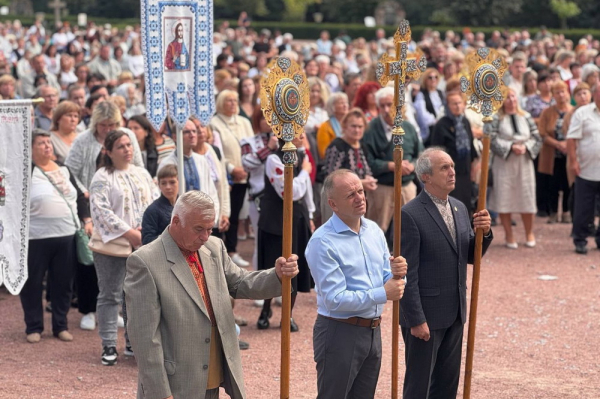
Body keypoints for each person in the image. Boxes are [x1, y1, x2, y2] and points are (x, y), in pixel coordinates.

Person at [124, 190, 299, 399]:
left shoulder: (214, 247)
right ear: (177, 221)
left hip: (212, 373)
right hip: (176, 383)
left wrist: (277, 276)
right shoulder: (145, 261)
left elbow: (240, 282)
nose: (206, 237)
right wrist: (161, 393)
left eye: (209, 229)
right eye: (199, 229)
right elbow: (144, 339)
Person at [399, 148, 493, 399]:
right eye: (444, 168)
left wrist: (485, 233)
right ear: (425, 177)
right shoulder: (410, 214)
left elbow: (469, 255)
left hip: (455, 313)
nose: (452, 172)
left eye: (452, 166)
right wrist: (415, 319)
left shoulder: (460, 208)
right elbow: (407, 274)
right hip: (425, 317)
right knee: (419, 386)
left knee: (446, 386)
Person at [305, 169, 407, 398]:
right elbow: (334, 299)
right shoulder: (323, 242)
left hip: (372, 330)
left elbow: (386, 278)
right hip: (340, 331)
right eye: (351, 194)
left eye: (360, 190)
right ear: (333, 204)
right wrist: (383, 292)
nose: (360, 197)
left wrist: (398, 275)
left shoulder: (373, 231)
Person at [89, 130, 159, 366]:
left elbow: (154, 201)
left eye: (129, 145)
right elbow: (100, 210)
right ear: (108, 152)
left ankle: (132, 341)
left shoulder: (141, 173)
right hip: (112, 245)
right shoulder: (102, 176)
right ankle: (108, 343)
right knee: (110, 294)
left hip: (142, 242)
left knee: (136, 295)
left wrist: (144, 228)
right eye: (120, 146)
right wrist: (129, 232)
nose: (127, 149)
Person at [20, 129, 91, 344]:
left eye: (49, 142)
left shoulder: (64, 169)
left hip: (66, 236)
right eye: (41, 143)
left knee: (63, 282)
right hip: (35, 238)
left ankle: (60, 325)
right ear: (31, 148)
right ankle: (33, 326)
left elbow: (80, 196)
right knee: (32, 283)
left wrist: (86, 219)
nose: (47, 146)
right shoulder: (25, 172)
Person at [256, 134, 315, 332]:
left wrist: (311, 215)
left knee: (294, 267)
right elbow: (289, 191)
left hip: (297, 219)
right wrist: (305, 173)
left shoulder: (302, 156)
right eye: (299, 133)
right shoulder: (274, 159)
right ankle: (265, 310)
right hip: (275, 221)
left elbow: (306, 192)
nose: (303, 137)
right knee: (271, 267)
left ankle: (287, 315)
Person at [363, 86, 423, 234]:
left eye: (389, 104)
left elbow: (421, 154)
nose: (386, 109)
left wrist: (412, 165)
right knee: (377, 230)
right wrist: (391, 166)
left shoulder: (408, 127)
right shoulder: (371, 129)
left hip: (406, 186)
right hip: (382, 188)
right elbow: (367, 161)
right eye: (382, 105)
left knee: (409, 229)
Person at [489, 89, 542, 249]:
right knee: (505, 196)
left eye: (513, 96)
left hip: (524, 161)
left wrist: (525, 147)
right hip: (504, 162)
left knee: (527, 195)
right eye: (507, 97)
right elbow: (491, 138)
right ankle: (509, 234)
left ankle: (529, 232)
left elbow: (537, 137)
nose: (511, 100)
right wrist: (511, 146)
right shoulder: (497, 118)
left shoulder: (525, 116)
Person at [209, 90, 254, 267]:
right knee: (225, 213)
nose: (233, 103)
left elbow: (251, 145)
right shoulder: (214, 123)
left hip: (245, 173)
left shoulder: (244, 122)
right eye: (228, 100)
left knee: (237, 214)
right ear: (221, 103)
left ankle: (233, 250)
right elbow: (215, 152)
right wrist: (231, 168)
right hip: (226, 175)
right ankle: (222, 251)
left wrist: (246, 166)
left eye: (235, 100)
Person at [158, 119, 222, 229]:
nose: (192, 135)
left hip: (203, 224)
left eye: (194, 131)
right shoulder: (167, 163)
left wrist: (212, 218)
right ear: (174, 136)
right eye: (187, 132)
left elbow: (211, 193)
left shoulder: (201, 160)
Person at [321, 108, 377, 223]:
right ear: (345, 127)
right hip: (338, 201)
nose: (357, 130)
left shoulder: (362, 146)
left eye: (360, 127)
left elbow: (366, 169)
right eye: (353, 126)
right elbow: (330, 178)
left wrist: (369, 179)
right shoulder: (338, 146)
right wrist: (361, 183)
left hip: (356, 201)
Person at [430, 90, 478, 214]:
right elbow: (436, 152)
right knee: (452, 206)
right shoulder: (441, 125)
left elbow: (471, 146)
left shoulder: (465, 122)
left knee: (465, 206)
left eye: (459, 103)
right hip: (448, 173)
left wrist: (473, 167)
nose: (457, 106)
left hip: (464, 171)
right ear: (447, 106)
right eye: (453, 104)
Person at [566, 84, 600, 255]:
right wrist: (573, 162)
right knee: (583, 208)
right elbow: (571, 139)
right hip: (585, 169)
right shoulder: (582, 113)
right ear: (594, 94)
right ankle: (580, 239)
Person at [537, 81, 573, 224]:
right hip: (552, 154)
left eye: (563, 91)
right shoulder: (547, 112)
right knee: (552, 185)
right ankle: (552, 213)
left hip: (569, 154)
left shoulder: (573, 110)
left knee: (567, 184)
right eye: (557, 92)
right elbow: (542, 133)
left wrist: (567, 144)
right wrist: (558, 144)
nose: (560, 95)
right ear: (553, 95)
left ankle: (566, 212)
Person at [142, 164, 179, 245]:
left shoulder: (186, 205)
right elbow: (147, 241)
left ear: (179, 182)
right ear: (159, 185)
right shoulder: (152, 210)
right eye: (163, 183)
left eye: (172, 182)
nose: (168, 187)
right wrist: (170, 236)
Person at [414, 68, 445, 144]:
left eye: (436, 77)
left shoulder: (440, 93)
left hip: (442, 127)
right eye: (430, 77)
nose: (433, 79)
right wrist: (435, 121)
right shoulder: (421, 95)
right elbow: (422, 114)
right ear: (425, 80)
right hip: (430, 129)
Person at [316, 92, 349, 160]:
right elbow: (324, 153)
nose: (345, 105)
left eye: (346, 102)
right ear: (332, 107)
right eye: (341, 103)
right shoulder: (324, 127)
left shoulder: (351, 124)